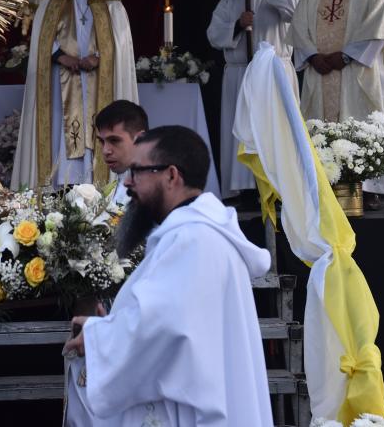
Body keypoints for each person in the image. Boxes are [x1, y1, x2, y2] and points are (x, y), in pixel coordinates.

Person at [63, 125, 273, 426]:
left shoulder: (193, 239)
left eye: (137, 171)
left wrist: (98, 338)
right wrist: (111, 323)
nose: (128, 183)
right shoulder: (195, 233)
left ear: (171, 176)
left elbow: (165, 328)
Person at [12, 0, 138, 189]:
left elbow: (121, 46)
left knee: (99, 127)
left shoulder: (112, 5)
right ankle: (61, 185)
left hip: (100, 82)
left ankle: (101, 185)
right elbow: (41, 41)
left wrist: (100, 57)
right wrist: (60, 56)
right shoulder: (52, 2)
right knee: (60, 130)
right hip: (61, 84)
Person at [289, 0, 384, 209]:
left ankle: (369, 190)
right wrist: (312, 55)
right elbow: (299, 28)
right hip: (320, 72)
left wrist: (346, 56)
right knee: (320, 127)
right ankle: (324, 189)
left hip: (357, 74)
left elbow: (378, 27)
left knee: (363, 124)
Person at [207, 0, 297, 204]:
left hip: (273, 74)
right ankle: (243, 186)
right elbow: (213, 35)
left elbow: (298, 15)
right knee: (241, 130)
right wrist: (237, 25)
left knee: (276, 129)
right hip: (241, 72)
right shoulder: (230, 1)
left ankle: (278, 186)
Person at [93, 99, 149, 205]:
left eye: (114, 140)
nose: (105, 151)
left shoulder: (155, 193)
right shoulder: (115, 186)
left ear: (140, 139)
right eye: (102, 141)